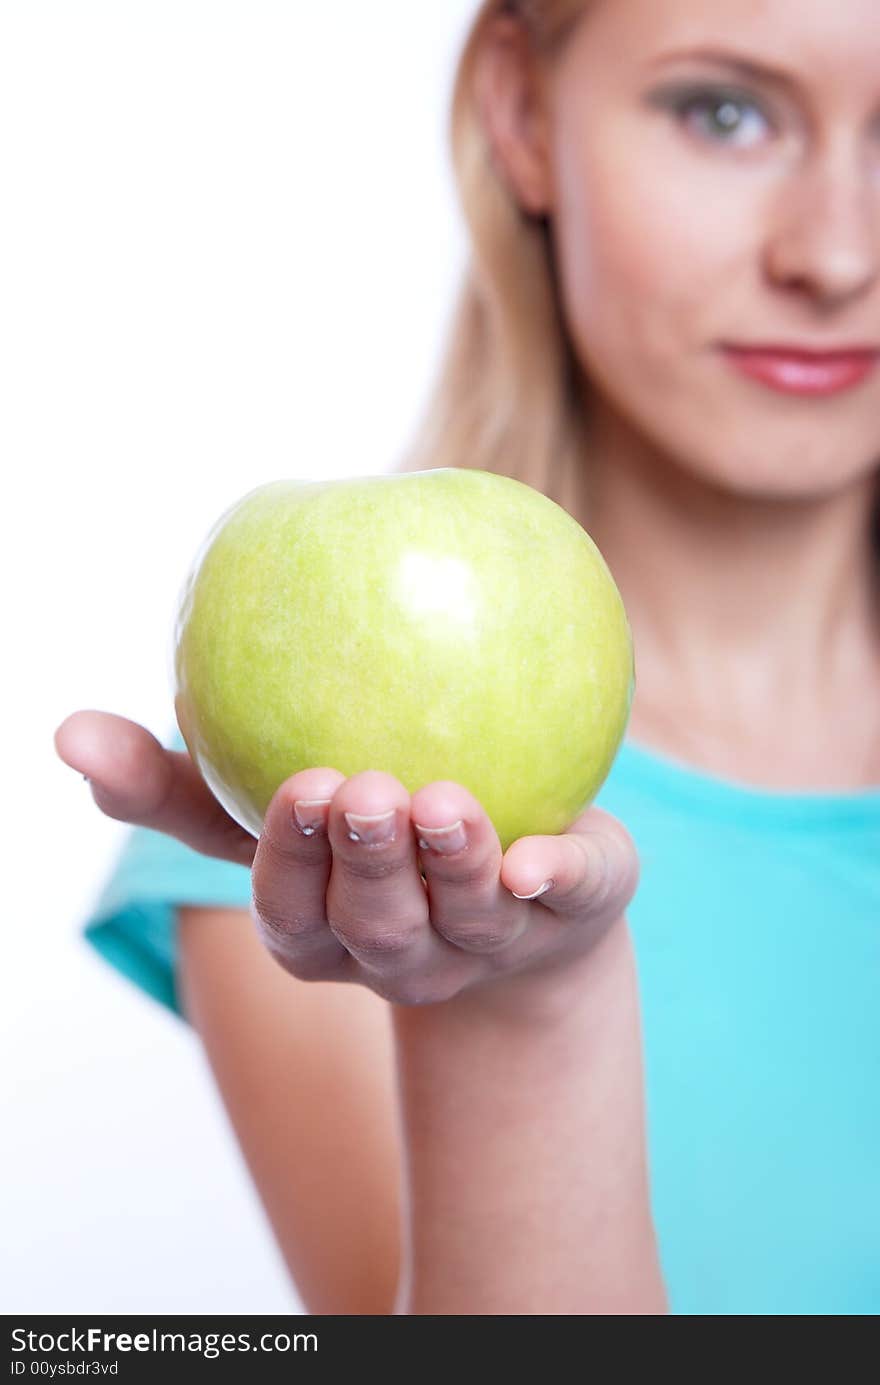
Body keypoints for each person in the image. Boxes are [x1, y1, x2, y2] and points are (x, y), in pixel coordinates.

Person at [54, 0, 880, 1316]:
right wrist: (522, 1008)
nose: (837, 254)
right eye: (725, 113)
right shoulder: (317, 856)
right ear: (520, 111)